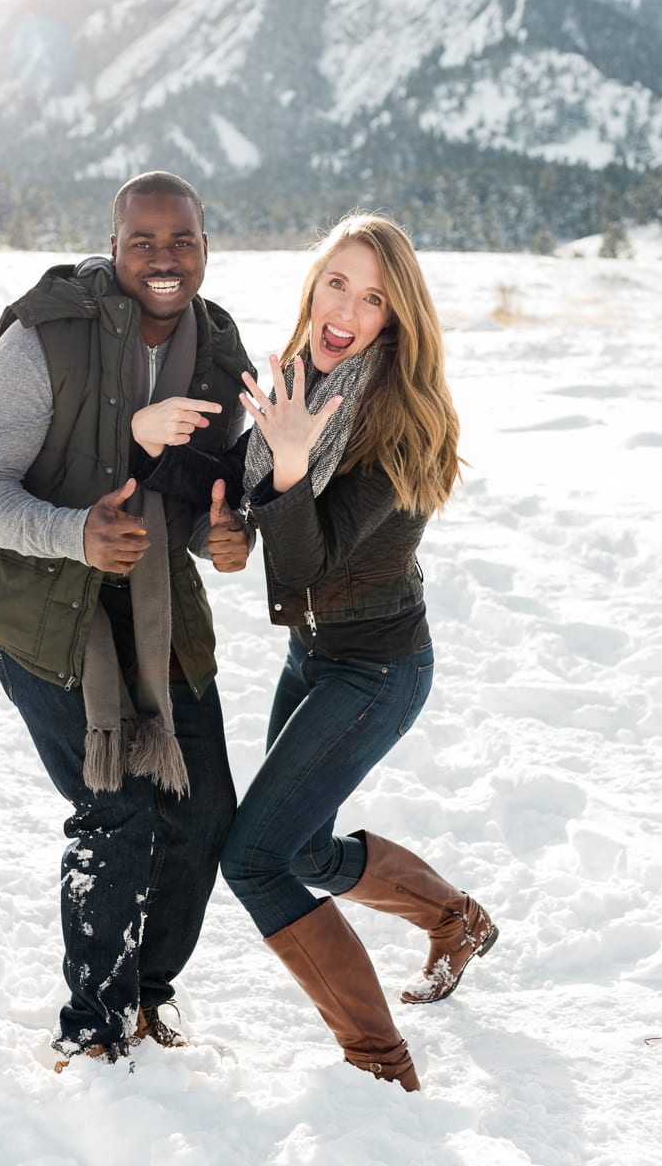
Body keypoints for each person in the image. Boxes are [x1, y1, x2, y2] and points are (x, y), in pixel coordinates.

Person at [0, 171, 255, 1069]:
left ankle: (144, 998)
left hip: (158, 608)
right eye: (143, 241)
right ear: (113, 243)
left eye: (183, 240)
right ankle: (92, 1030)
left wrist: (221, 535)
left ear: (205, 244)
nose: (164, 259)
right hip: (41, 610)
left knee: (202, 812)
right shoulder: (45, 335)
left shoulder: (216, 346)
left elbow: (200, 495)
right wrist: (77, 534)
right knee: (114, 808)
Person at [218, 213, 499, 1092]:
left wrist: (291, 466)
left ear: (395, 317)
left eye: (372, 296)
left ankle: (380, 1067)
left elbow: (303, 566)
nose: (346, 307)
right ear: (313, 287)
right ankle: (452, 920)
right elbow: (237, 490)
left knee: (255, 857)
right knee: (298, 850)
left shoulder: (400, 419)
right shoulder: (302, 381)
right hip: (315, 656)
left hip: (376, 669)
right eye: (336, 283)